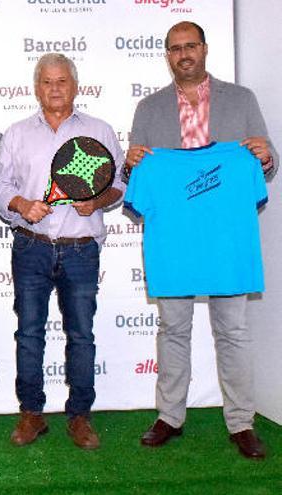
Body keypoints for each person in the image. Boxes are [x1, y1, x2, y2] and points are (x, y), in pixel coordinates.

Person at [126, 21, 276, 460]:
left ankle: (241, 421)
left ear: (205, 49)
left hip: (226, 241)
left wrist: (265, 157)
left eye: (190, 46)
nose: (184, 54)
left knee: (232, 330)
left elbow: (266, 158)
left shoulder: (241, 99)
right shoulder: (149, 108)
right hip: (175, 243)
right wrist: (131, 163)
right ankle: (169, 416)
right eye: (175, 48)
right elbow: (136, 180)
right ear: (167, 55)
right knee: (173, 328)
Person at [0, 53, 125, 450]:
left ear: (75, 86)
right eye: (47, 82)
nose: (55, 88)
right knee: (29, 334)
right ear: (36, 88)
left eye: (62, 81)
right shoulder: (16, 134)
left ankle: (80, 416)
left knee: (81, 335)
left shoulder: (100, 129)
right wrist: (21, 205)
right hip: (31, 247)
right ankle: (32, 413)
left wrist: (97, 202)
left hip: (81, 251)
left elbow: (119, 183)